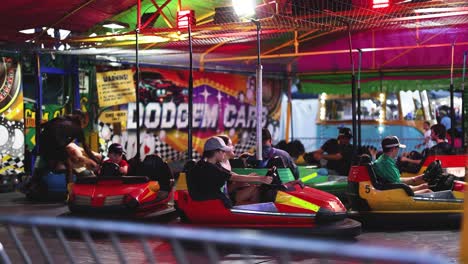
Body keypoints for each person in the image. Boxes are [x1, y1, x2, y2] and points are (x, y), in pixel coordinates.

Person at [187, 136, 272, 206]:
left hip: (213, 201)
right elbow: (234, 177)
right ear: (217, 152)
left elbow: (230, 174)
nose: (225, 153)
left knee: (252, 199)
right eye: (223, 151)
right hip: (212, 204)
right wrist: (261, 179)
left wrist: (253, 177)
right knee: (251, 204)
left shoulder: (208, 164)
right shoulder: (209, 168)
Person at [36, 110, 101, 182]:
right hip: (54, 143)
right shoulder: (78, 129)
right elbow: (87, 150)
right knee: (68, 166)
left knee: (46, 164)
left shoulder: (63, 118)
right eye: (85, 123)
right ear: (82, 120)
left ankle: (33, 182)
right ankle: (69, 188)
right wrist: (98, 161)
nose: (84, 126)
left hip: (43, 141)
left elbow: (44, 125)